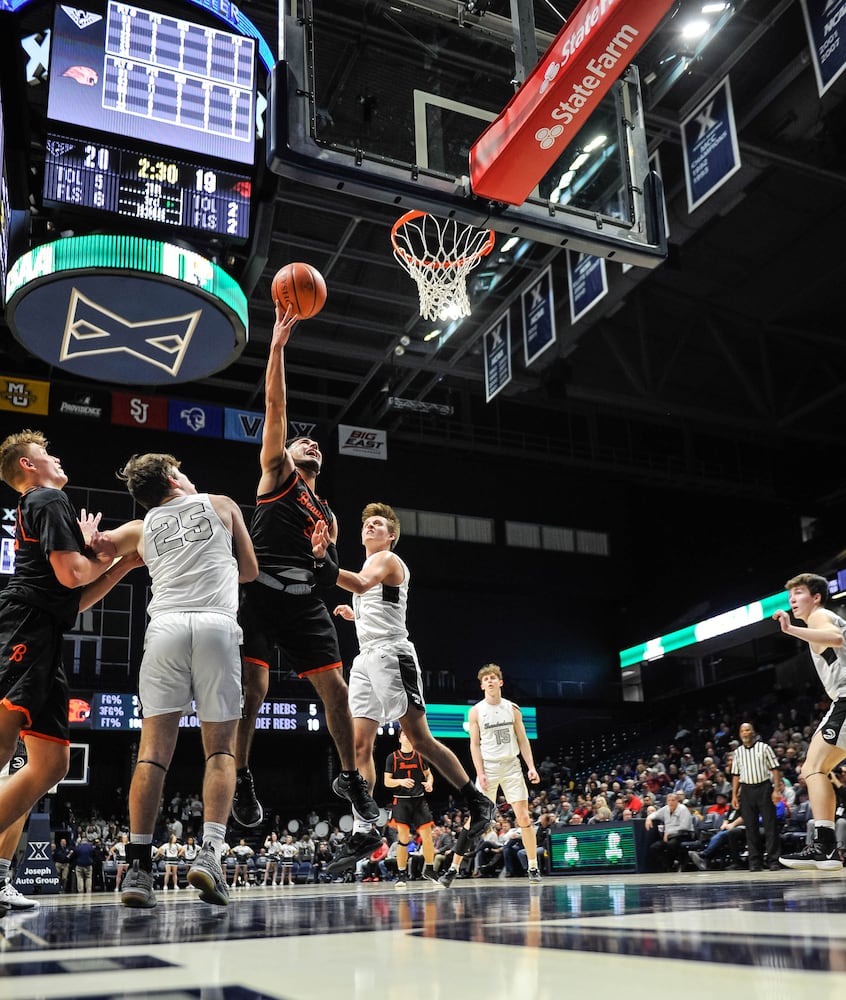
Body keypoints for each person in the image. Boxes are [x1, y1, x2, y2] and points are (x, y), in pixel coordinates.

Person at [234, 302, 377, 833]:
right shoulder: (277, 475)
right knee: (254, 691)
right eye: (302, 440)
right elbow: (276, 405)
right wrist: (275, 347)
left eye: (315, 443)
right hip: (259, 595)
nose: (310, 441)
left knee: (336, 693)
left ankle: (349, 778)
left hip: (303, 601)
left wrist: (322, 556)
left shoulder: (330, 517)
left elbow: (325, 579)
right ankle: (245, 776)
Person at [100, 452, 258, 908]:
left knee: (152, 753)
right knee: (221, 749)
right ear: (174, 477)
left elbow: (96, 548)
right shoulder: (223, 504)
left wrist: (95, 537)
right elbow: (249, 571)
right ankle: (210, 854)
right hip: (215, 625)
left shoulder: (140, 527)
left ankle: (139, 868)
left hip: (165, 628)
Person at [317, 503, 496, 873]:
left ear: (390, 535)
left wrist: (322, 561)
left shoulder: (387, 560)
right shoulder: (369, 565)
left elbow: (364, 584)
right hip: (366, 659)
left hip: (392, 655)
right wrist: (357, 615)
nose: (370, 526)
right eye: (366, 522)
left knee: (420, 739)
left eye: (378, 523)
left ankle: (477, 801)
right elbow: (374, 598)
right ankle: (366, 830)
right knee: (358, 745)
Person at [0, 430, 142, 888]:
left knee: (51, 764)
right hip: (25, 627)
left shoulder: (45, 505)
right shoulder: (46, 498)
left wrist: (121, 566)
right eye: (47, 453)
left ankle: (1, 874)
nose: (57, 458)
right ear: (27, 465)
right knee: (2, 745)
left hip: (47, 629)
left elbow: (75, 597)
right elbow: (73, 572)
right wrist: (106, 552)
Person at [435, 663, 541, 887]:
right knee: (475, 820)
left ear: (500, 682)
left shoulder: (513, 708)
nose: (490, 681)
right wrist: (480, 772)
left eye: (493, 677)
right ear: (482, 685)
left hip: (512, 765)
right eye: (486, 679)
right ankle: (453, 868)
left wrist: (531, 766)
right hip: (489, 768)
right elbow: (474, 745)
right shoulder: (475, 711)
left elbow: (523, 740)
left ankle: (533, 866)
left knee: (523, 817)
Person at [775, 573, 846, 870]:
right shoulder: (819, 620)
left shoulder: (819, 617)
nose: (792, 599)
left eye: (799, 592)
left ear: (815, 597)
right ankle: (827, 847)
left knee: (813, 768)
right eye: (790, 595)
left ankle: (825, 847)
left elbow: (836, 638)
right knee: (818, 768)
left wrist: (791, 630)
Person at [383, 729, 440, 888]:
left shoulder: (420, 756)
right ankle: (401, 875)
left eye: (410, 734)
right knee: (403, 839)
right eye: (404, 735)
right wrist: (400, 781)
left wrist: (429, 783)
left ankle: (429, 869)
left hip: (419, 801)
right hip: (401, 801)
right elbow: (387, 782)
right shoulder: (392, 758)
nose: (407, 737)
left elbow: (429, 775)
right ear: (399, 739)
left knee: (427, 836)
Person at [729, 722, 783, 871]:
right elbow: (735, 775)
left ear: (753, 732)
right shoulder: (738, 752)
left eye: (748, 730)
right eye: (742, 731)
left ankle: (773, 861)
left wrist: (776, 790)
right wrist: (734, 795)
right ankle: (755, 863)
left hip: (764, 787)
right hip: (746, 790)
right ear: (740, 734)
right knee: (750, 828)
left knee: (770, 826)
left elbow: (775, 769)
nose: (745, 733)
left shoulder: (764, 747)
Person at [644, 792, 694, 871]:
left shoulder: (683, 809)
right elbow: (656, 814)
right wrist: (648, 818)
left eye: (673, 800)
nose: (670, 802)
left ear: (677, 801)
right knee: (654, 847)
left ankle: (675, 864)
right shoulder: (666, 808)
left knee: (671, 845)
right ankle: (668, 866)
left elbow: (684, 826)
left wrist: (669, 832)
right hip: (669, 837)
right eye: (669, 800)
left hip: (683, 835)